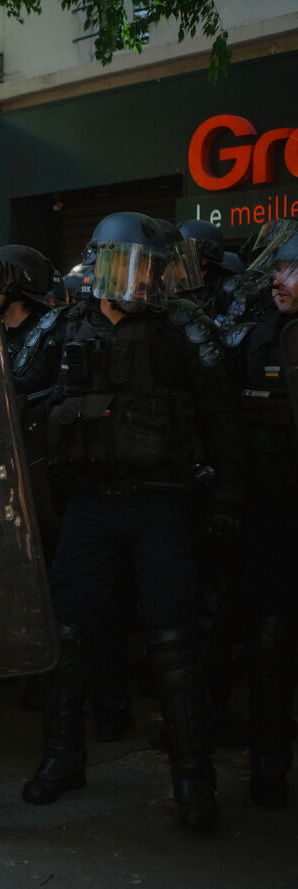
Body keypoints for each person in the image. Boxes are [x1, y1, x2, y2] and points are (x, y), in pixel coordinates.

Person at [16, 211, 243, 831]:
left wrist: (228, 496)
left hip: (160, 503)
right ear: (99, 265)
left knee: (173, 639)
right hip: (89, 504)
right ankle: (62, 759)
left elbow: (224, 418)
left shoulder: (184, 327)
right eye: (127, 267)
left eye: (150, 270)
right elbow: (11, 384)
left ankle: (193, 779)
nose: (139, 281)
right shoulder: (65, 323)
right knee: (67, 634)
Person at [225, 229, 298, 807]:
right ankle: (269, 764)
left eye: (293, 270)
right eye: (279, 268)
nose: (278, 279)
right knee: (268, 643)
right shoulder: (257, 339)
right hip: (273, 518)